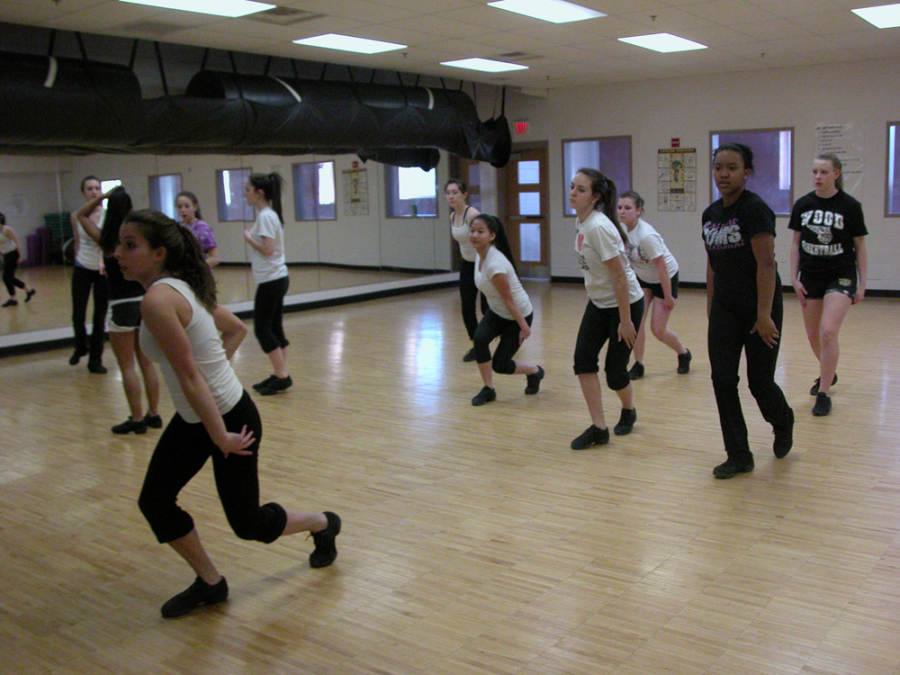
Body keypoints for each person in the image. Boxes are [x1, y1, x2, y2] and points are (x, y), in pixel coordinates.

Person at [115, 209, 340, 618]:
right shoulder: (179, 288)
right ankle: (210, 582)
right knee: (155, 501)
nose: (118, 253)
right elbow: (234, 330)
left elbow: (190, 376)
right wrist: (217, 372)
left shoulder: (158, 300)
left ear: (159, 253)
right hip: (198, 418)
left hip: (229, 419)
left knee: (248, 524)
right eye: (119, 244)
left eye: (130, 245)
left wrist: (219, 433)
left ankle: (323, 523)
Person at [703, 143, 794, 479]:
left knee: (760, 382)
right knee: (723, 379)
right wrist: (712, 306)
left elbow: (766, 264)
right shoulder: (710, 214)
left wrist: (764, 314)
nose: (724, 174)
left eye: (732, 167)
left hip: (760, 308)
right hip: (725, 309)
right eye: (718, 167)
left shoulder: (755, 210)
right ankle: (738, 454)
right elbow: (712, 265)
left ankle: (783, 421)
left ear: (747, 172)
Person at [569, 168, 645, 450]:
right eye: (572, 187)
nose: (573, 193)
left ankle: (629, 409)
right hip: (599, 304)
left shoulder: (598, 227)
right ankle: (599, 428)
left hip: (625, 306)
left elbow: (620, 277)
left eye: (581, 189)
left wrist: (625, 321)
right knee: (583, 361)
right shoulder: (581, 222)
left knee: (615, 373)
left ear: (595, 196)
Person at [77, 187, 162, 435]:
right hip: (145, 301)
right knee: (147, 363)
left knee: (127, 367)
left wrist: (101, 198)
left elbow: (81, 216)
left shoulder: (106, 239)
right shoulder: (138, 240)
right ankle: (154, 415)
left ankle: (137, 419)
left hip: (121, 305)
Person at [789, 153, 868, 417]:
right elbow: (795, 243)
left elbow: (860, 246)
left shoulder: (849, 205)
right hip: (811, 275)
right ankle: (828, 373)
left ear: (836, 174)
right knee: (813, 337)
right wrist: (793, 278)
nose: (818, 177)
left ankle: (823, 393)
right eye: (814, 172)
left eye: (824, 172)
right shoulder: (803, 204)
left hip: (841, 274)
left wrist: (862, 284)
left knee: (827, 331)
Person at [468, 214, 544, 405]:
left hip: (518, 314)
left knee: (501, 365)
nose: (475, 235)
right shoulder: (479, 254)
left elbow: (509, 300)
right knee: (480, 339)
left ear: (492, 236)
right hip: (498, 311)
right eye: (472, 231)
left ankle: (535, 372)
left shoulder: (495, 264)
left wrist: (524, 328)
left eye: (480, 231)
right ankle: (488, 389)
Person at [617, 190, 691, 379]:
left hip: (664, 278)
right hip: (643, 278)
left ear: (638, 210)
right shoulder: (620, 230)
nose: (622, 211)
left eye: (628, 208)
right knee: (636, 323)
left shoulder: (646, 235)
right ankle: (638, 364)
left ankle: (683, 353)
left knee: (657, 329)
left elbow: (662, 267)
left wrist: (668, 297)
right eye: (619, 207)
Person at [243, 173, 291, 395]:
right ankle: (280, 372)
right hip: (277, 279)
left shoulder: (265, 217)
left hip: (271, 280)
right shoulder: (269, 215)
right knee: (274, 328)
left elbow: (268, 249)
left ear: (259, 193)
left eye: (248, 190)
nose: (245, 195)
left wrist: (249, 238)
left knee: (262, 329)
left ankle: (282, 375)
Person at [70, 175, 109, 373]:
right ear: (83, 192)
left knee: (99, 318)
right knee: (78, 314)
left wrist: (104, 263)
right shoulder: (76, 215)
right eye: (89, 188)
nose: (94, 191)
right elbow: (77, 241)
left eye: (97, 187)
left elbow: (107, 244)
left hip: (102, 271)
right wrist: (76, 259)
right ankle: (80, 346)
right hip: (82, 268)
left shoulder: (107, 215)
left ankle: (95, 360)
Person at [446, 179, 486, 362]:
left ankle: (506, 335)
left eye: (455, 192)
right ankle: (477, 346)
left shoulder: (473, 214)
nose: (451, 196)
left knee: (488, 307)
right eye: (448, 193)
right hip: (467, 265)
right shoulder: (452, 217)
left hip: (483, 263)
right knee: (467, 308)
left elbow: (486, 239)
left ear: (464, 194)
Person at [0, 212, 36, 307]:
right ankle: (29, 290)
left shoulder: (6, 229)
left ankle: (13, 299)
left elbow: (17, 242)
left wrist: (20, 256)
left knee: (6, 277)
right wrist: (2, 257)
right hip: (6, 255)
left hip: (13, 254)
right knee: (9, 278)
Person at [176, 191, 219, 268]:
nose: (183, 210)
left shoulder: (202, 228)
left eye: (187, 206)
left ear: (195, 207)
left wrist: (196, 268)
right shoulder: (179, 228)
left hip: (199, 275)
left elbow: (215, 258)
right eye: (179, 207)